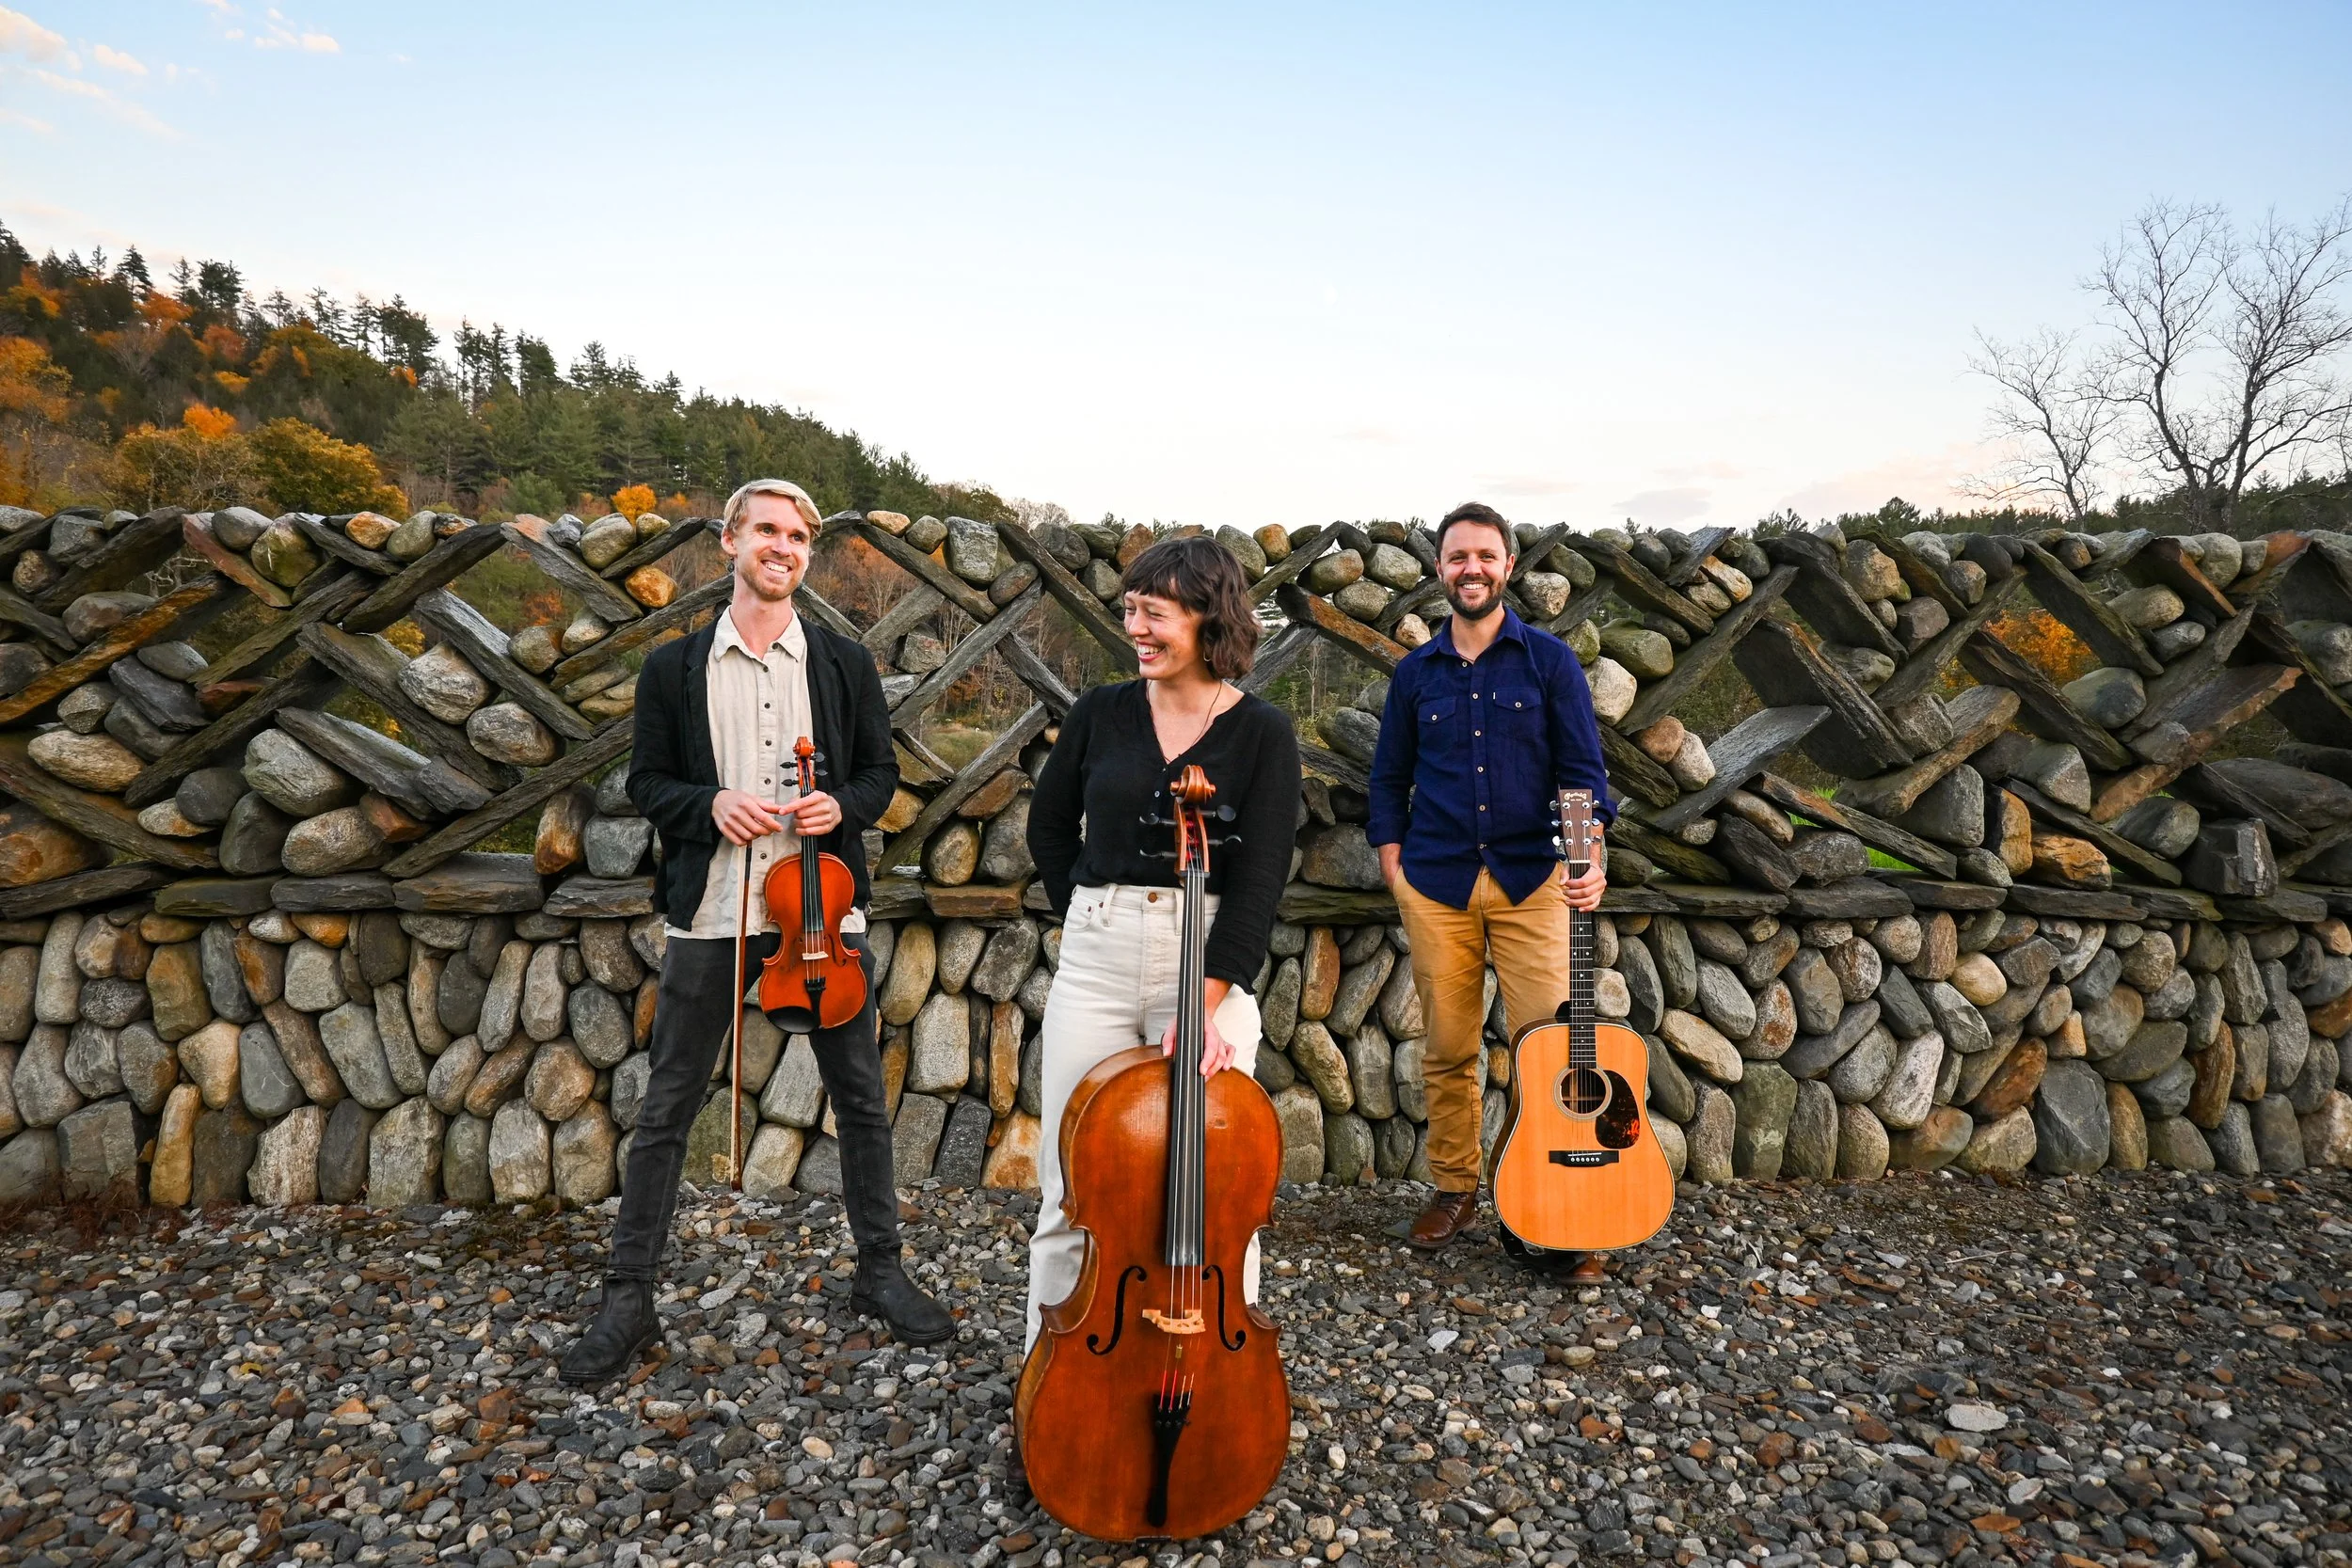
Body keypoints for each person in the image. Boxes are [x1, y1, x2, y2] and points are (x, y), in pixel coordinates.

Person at [561, 479, 953, 1388]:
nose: (785, 545)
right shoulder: (674, 668)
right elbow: (649, 783)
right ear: (730, 539)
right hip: (712, 912)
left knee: (859, 1098)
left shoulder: (844, 665)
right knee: (667, 1107)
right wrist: (712, 804)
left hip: (822, 914)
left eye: (801, 535)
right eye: (768, 530)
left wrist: (838, 804)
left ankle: (881, 1273)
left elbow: (879, 778)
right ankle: (629, 1296)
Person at [1023, 535, 1302, 1350]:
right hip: (1098, 957)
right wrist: (1086, 909)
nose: (1136, 628)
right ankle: (1051, 1388)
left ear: (1209, 619)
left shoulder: (1263, 734)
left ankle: (1213, 1380)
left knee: (1215, 1196)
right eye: (1129, 611)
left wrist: (1208, 998)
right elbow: (1047, 828)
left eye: (1155, 612)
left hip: (1207, 955)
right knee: (1073, 1186)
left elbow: (1260, 882)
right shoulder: (1100, 713)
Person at [1367, 501, 1613, 1261]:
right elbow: (1388, 780)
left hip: (1531, 881)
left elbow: (1584, 774)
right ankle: (1456, 1186)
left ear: (1508, 567)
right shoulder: (1415, 673)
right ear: (1439, 571)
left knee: (1547, 1047)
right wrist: (1395, 867)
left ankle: (1533, 1190)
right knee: (1447, 1046)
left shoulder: (1548, 662)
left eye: (1485, 555)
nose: (1470, 568)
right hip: (1435, 883)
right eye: (1457, 556)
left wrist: (1591, 856)